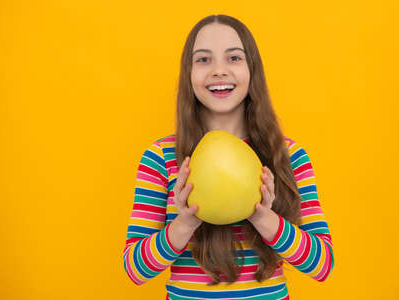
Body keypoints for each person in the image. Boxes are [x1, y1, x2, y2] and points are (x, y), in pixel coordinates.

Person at [122, 14, 334, 299]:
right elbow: (135, 269)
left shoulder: (288, 156)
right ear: (188, 73)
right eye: (203, 59)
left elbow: (322, 265)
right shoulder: (161, 158)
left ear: (252, 70)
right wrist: (184, 222)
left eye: (234, 58)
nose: (219, 70)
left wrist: (264, 217)